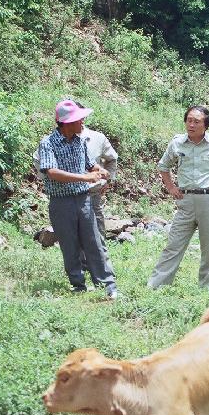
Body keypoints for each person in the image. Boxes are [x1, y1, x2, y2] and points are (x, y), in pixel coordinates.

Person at [148, 105, 209, 290]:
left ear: (206, 125)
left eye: (196, 121)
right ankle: (156, 286)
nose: (191, 125)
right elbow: (163, 166)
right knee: (173, 245)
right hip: (186, 200)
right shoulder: (177, 143)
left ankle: (206, 288)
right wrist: (170, 187)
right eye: (188, 120)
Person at [37, 99, 118, 299]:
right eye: (79, 120)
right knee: (69, 243)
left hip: (83, 199)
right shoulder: (48, 143)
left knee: (94, 242)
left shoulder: (80, 141)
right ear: (66, 123)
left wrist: (101, 171)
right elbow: (52, 172)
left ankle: (107, 285)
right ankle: (78, 285)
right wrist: (85, 177)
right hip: (61, 202)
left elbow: (91, 166)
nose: (83, 123)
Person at [33, 103, 119, 238]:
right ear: (70, 122)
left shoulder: (96, 138)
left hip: (93, 195)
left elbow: (110, 160)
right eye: (80, 117)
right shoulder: (51, 142)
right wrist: (53, 182)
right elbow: (42, 165)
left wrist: (107, 178)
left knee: (97, 240)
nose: (83, 120)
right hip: (66, 198)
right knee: (74, 243)